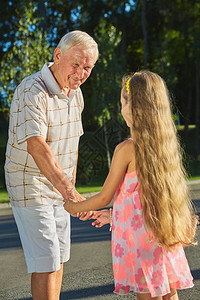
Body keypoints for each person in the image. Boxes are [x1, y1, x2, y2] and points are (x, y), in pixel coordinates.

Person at [64, 71, 198, 300]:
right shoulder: (164, 149)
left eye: (122, 103)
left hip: (139, 245)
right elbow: (143, 201)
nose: (120, 109)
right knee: (168, 294)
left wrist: (72, 206)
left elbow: (105, 196)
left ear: (133, 107)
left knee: (150, 296)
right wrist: (114, 216)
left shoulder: (126, 149)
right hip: (162, 234)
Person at [4, 30, 98, 300]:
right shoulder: (32, 90)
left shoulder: (76, 95)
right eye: (76, 64)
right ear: (58, 55)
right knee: (46, 259)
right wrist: (71, 194)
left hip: (59, 185)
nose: (81, 73)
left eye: (88, 67)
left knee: (59, 256)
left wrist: (71, 190)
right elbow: (36, 146)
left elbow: (73, 146)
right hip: (29, 183)